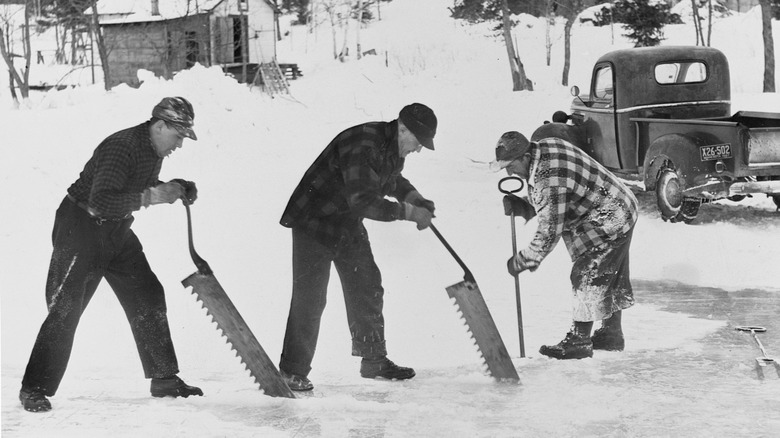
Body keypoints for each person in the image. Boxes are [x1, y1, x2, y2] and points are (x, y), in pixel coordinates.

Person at [19, 97, 204, 412]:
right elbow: (100, 201)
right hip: (80, 227)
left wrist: (173, 186)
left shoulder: (152, 149)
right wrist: (153, 196)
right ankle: (34, 388)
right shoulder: (122, 147)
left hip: (115, 231)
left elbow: (134, 188)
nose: (180, 145)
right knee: (66, 308)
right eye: (178, 136)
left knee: (147, 292)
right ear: (160, 126)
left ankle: (163, 378)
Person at [278, 103, 438, 391]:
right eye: (418, 142)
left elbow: (391, 179)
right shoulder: (365, 143)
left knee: (366, 284)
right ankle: (291, 371)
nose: (418, 150)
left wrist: (415, 198)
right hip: (314, 220)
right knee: (311, 297)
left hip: (345, 221)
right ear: (403, 128)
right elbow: (364, 201)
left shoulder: (390, 145)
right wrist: (409, 213)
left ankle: (373, 360)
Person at [490, 127, 638, 360]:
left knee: (587, 274)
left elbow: (550, 230)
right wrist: (527, 205)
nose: (509, 172)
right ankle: (611, 334)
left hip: (608, 217)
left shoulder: (547, 177)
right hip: (618, 205)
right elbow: (561, 192)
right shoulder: (543, 148)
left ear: (526, 157)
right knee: (610, 273)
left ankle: (578, 341)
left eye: (511, 165)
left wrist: (525, 259)